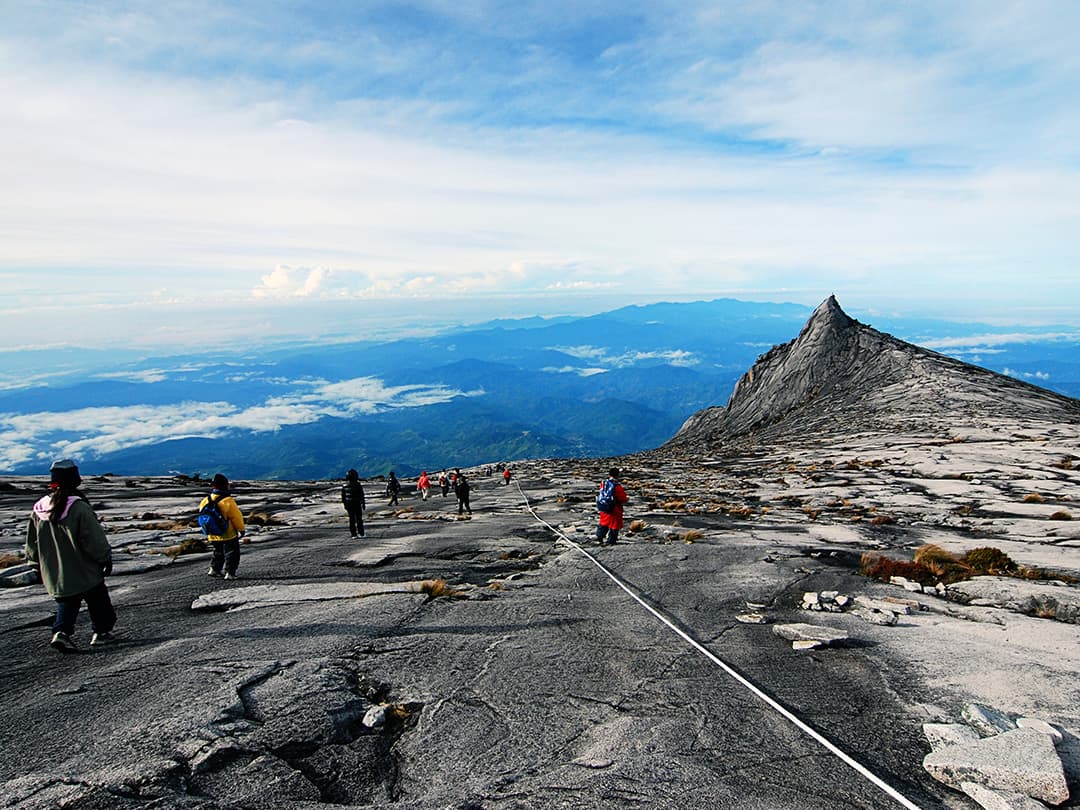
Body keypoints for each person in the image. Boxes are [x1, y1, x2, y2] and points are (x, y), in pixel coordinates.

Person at [25, 458, 117, 652]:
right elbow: (93, 538)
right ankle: (101, 633)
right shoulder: (78, 507)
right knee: (99, 602)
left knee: (67, 603)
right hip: (84, 567)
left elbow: (32, 542)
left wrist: (35, 564)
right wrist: (104, 558)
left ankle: (61, 633)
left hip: (55, 570)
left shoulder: (40, 508)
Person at [201, 474, 245, 580]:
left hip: (212, 532)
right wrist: (241, 529)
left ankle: (214, 569)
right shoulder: (227, 500)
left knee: (218, 551)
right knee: (232, 553)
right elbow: (236, 517)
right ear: (225, 486)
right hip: (227, 532)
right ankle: (230, 573)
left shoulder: (205, 500)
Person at [595, 467, 629, 546]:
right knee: (614, 525)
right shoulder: (617, 486)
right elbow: (622, 499)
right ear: (618, 475)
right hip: (614, 509)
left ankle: (599, 537)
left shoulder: (604, 483)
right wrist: (627, 499)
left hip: (604, 507)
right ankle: (611, 541)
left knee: (603, 523)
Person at [341, 469, 366, 538]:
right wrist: (363, 503)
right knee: (359, 519)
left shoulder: (344, 485)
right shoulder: (358, 485)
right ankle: (361, 533)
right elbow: (361, 495)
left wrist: (345, 504)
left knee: (351, 519)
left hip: (349, 504)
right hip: (357, 503)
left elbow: (343, 497)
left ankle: (353, 534)